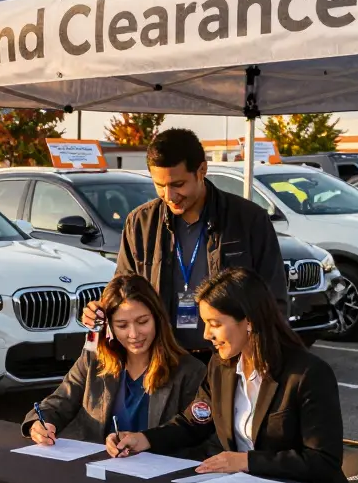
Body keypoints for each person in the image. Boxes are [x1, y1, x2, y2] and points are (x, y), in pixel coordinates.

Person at [106, 268, 350, 483]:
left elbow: (322, 461)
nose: (206, 334)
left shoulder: (308, 374)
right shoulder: (220, 366)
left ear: (249, 321)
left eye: (215, 324)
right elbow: (194, 422)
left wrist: (245, 462)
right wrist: (144, 439)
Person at [80, 128, 287, 362]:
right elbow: (124, 290)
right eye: (159, 185)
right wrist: (102, 308)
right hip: (164, 360)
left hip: (230, 361)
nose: (169, 195)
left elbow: (273, 299)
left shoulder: (249, 219)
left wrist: (259, 359)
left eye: (178, 184)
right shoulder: (141, 222)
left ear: (202, 170)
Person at [23, 275, 206, 449]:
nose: (134, 334)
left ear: (158, 319)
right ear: (109, 326)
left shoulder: (190, 371)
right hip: (96, 472)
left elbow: (194, 435)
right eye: (122, 325)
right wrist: (39, 423)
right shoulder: (93, 360)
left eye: (142, 322)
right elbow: (59, 402)